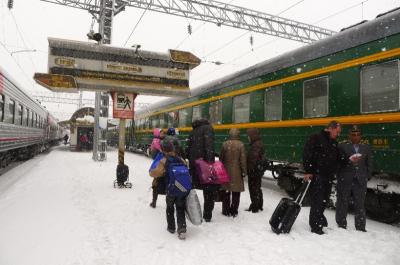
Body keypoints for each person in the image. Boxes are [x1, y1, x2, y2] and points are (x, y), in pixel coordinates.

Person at [303, 120, 342, 235]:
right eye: (337, 132)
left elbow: (337, 157)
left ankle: (319, 218)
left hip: (328, 176)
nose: (338, 134)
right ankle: (315, 226)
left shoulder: (333, 142)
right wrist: (308, 171)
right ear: (331, 128)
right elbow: (307, 154)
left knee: (324, 200)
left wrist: (348, 160)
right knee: (318, 200)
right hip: (317, 175)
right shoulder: (316, 138)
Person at [149, 137, 188, 239]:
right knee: (180, 208)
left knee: (170, 208)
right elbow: (186, 168)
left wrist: (153, 172)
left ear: (163, 150)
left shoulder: (164, 160)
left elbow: (154, 173)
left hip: (171, 189)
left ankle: (171, 227)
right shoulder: (180, 159)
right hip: (182, 189)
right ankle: (182, 228)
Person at [336, 125, 373, 232]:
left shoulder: (366, 147)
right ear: (349, 136)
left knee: (360, 204)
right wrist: (339, 176)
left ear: (360, 136)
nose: (356, 137)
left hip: (360, 180)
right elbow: (338, 162)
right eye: (353, 135)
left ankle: (361, 226)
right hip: (345, 179)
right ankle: (341, 224)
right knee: (342, 202)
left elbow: (369, 163)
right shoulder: (342, 146)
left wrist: (367, 175)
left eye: (358, 135)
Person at [186, 118, 218, 222]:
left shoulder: (193, 131)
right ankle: (207, 215)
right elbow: (209, 147)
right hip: (204, 163)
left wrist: (191, 160)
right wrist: (210, 164)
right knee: (209, 190)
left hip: (194, 164)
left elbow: (188, 148)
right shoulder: (208, 129)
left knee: (191, 189)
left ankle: (191, 211)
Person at [219, 128, 247, 217]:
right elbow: (243, 160)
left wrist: (221, 169)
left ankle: (225, 210)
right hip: (237, 172)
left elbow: (221, 158)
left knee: (226, 191)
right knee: (236, 192)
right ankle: (234, 210)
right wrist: (244, 171)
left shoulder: (225, 144)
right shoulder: (241, 145)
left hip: (226, 171)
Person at [246, 128, 265, 213]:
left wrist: (249, 170)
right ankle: (259, 205)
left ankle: (255, 207)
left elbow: (253, 160)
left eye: (249, 136)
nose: (248, 138)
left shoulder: (255, 145)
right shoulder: (258, 143)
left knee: (253, 188)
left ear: (252, 136)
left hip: (254, 171)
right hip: (257, 170)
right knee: (257, 187)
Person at [149, 128, 165, 208]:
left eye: (163, 133)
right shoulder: (156, 141)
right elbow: (160, 149)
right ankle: (154, 201)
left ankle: (154, 201)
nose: (163, 134)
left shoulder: (160, 140)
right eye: (161, 133)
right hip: (159, 160)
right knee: (157, 179)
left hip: (160, 162)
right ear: (158, 134)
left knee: (156, 182)